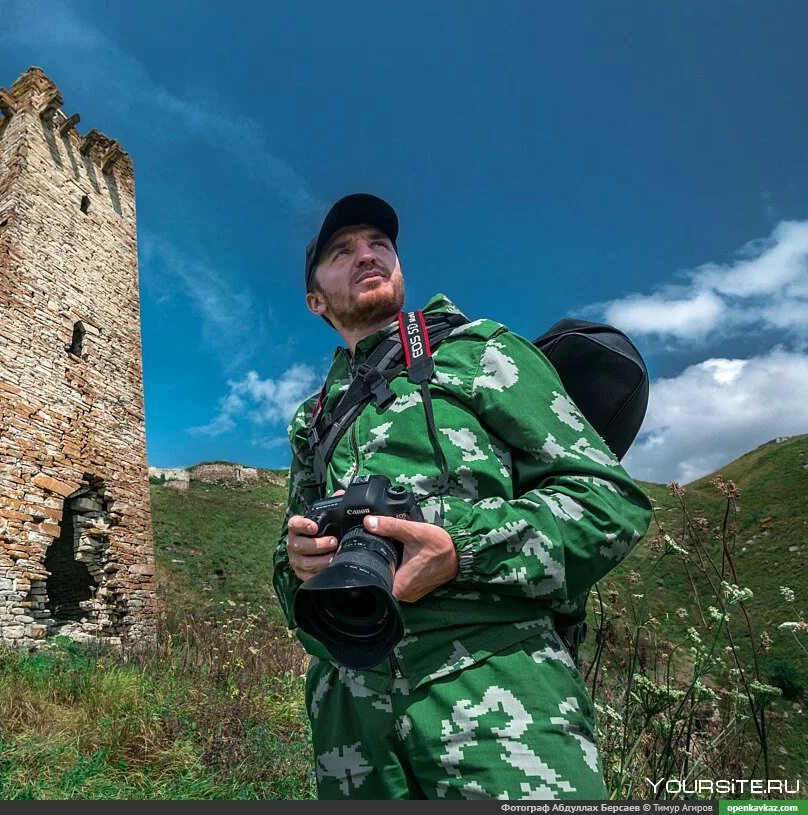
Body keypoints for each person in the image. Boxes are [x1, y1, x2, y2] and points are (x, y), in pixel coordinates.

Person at [272, 193, 654, 800]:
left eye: (381, 245)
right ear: (315, 299)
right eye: (342, 251)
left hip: (495, 690)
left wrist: (462, 550)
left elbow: (609, 500)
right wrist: (299, 565)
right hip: (351, 719)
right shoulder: (312, 418)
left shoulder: (480, 353)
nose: (367, 256)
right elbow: (285, 566)